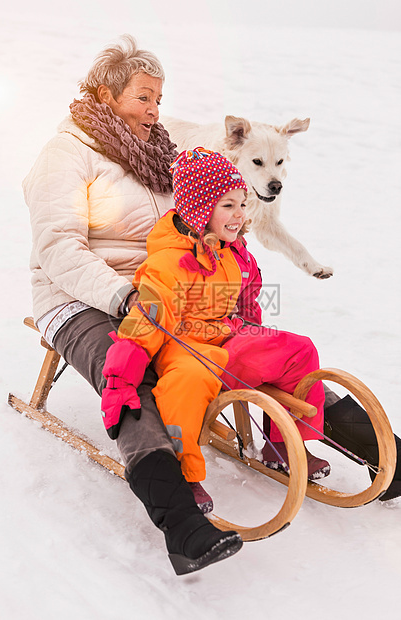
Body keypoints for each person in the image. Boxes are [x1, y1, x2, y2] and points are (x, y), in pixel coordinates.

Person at [23, 35, 243, 576]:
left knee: (257, 346)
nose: (154, 111)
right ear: (105, 94)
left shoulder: (161, 154)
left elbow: (191, 220)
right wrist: (123, 297)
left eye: (159, 100)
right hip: (82, 297)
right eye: (143, 97)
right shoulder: (66, 154)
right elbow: (58, 247)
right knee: (133, 374)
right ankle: (182, 526)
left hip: (167, 288)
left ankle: (378, 451)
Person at [101, 147, 331, 511]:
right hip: (184, 349)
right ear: (199, 209)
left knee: (299, 349)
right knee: (187, 383)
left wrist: (254, 332)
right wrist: (119, 381)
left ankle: (284, 444)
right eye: (228, 205)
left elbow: (246, 300)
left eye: (242, 204)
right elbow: (145, 321)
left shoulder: (228, 252)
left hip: (226, 340)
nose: (240, 214)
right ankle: (184, 474)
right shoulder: (167, 264)